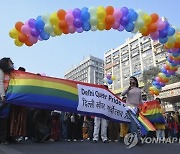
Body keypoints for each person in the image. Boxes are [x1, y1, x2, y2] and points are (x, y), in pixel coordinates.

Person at [121, 76, 142, 143]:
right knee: (133, 123)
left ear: (135, 81)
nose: (131, 81)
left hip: (136, 108)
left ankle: (130, 138)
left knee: (133, 124)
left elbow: (140, 100)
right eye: (130, 80)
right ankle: (137, 139)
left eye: (132, 79)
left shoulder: (139, 90)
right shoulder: (128, 88)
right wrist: (128, 88)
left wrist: (140, 108)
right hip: (129, 108)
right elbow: (122, 94)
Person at [0, 57, 14, 144]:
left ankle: (3, 138)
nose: (12, 63)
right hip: (2, 98)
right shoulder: (1, 71)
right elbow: (0, 83)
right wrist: (2, 96)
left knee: (4, 119)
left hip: (7, 98)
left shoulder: (11, 73)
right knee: (2, 119)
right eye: (10, 62)